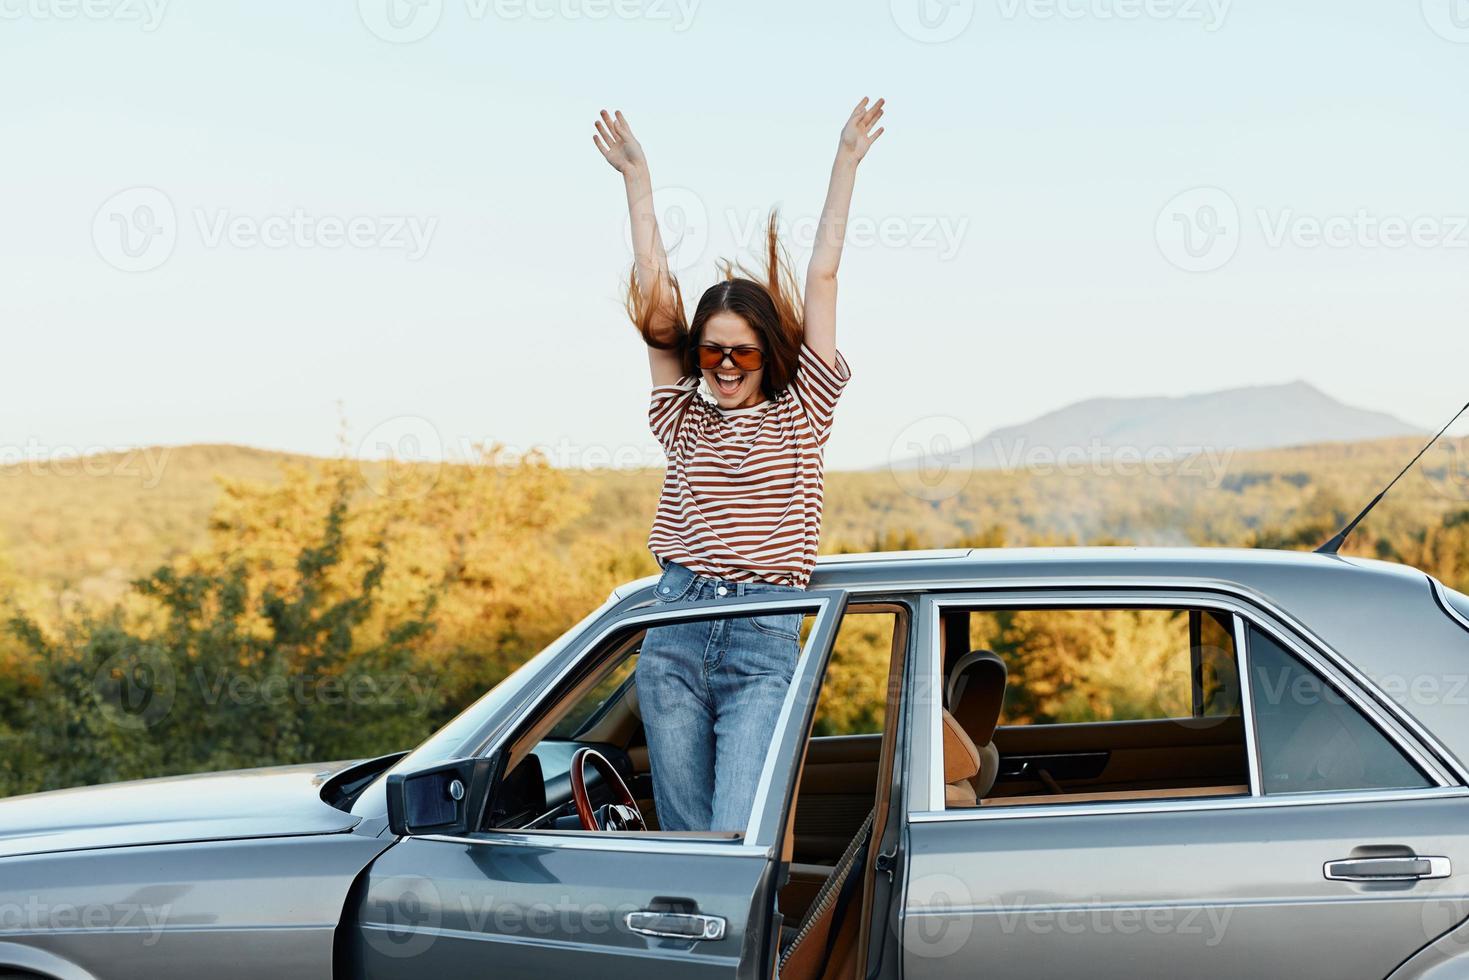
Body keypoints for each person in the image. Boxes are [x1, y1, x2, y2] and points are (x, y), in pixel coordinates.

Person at [593, 98, 885, 832]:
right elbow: (655, 302)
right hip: (678, 624)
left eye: (742, 350)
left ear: (766, 354)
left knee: (734, 836)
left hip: (762, 633)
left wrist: (844, 161)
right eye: (711, 350)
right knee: (688, 839)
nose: (724, 365)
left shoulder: (803, 411)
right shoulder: (681, 418)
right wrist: (637, 181)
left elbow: (822, 278)